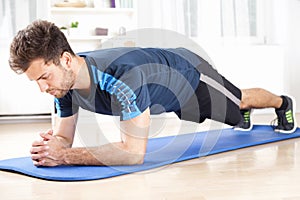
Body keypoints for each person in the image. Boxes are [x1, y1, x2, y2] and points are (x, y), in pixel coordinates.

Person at [9, 20, 297, 167]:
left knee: (239, 100)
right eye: (36, 81)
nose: (43, 88)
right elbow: (63, 137)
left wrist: (66, 157)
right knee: (235, 117)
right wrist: (51, 147)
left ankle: (282, 102)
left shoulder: (122, 78)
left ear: (66, 60)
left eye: (44, 77)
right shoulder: (64, 85)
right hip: (163, 96)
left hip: (189, 77)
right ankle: (241, 115)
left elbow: (134, 154)